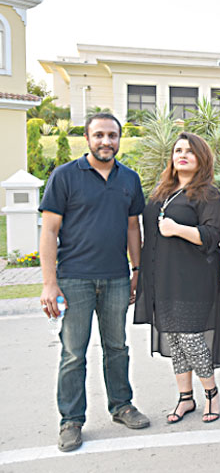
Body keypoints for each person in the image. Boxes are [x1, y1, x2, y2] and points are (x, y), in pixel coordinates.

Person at [39, 112, 149, 452]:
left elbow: (133, 227)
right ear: (87, 138)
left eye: (112, 135)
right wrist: (49, 283)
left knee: (117, 347)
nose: (106, 141)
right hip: (74, 279)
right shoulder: (65, 176)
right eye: (99, 135)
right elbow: (49, 231)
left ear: (119, 139)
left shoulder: (129, 178)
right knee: (74, 353)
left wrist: (136, 270)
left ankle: (122, 406)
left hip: (116, 278)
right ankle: (71, 421)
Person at [134, 132, 220, 425]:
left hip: (194, 278)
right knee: (174, 338)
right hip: (163, 276)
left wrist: (177, 229)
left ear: (202, 158)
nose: (182, 155)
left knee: (191, 338)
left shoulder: (208, 194)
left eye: (189, 151)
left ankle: (211, 393)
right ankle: (185, 397)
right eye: (178, 150)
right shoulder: (161, 192)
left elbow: (213, 234)